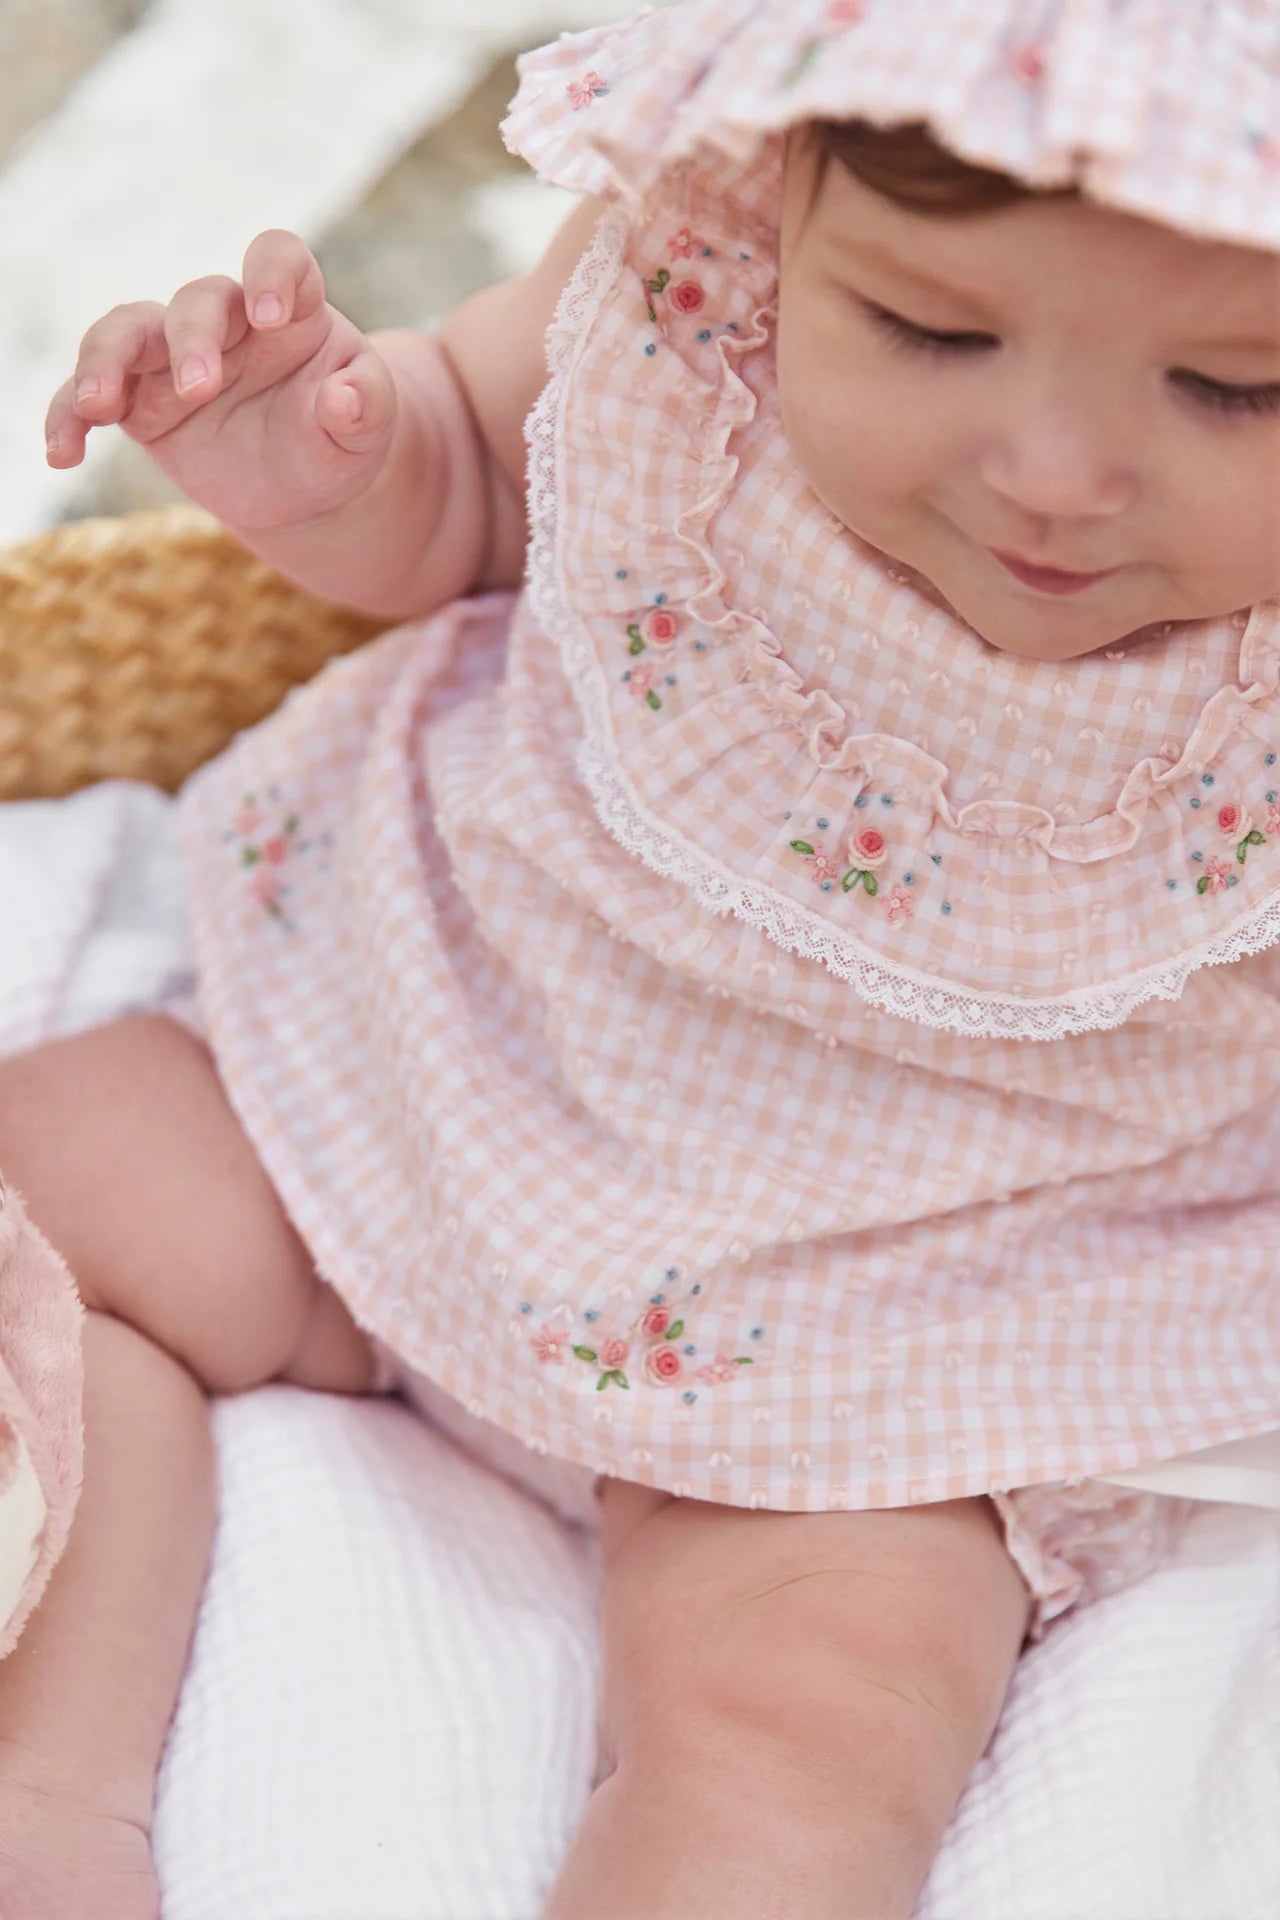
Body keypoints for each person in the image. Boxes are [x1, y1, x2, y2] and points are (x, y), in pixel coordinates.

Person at [4, 0, 1280, 1913]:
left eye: (1239, 390)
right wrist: (327, 459)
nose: (1059, 469)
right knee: (41, 1186)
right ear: (793, 195)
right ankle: (46, 1793)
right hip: (414, 1057)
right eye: (933, 330)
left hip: (892, 1355)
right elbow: (465, 483)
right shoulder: (695, 287)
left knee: (808, 1741)